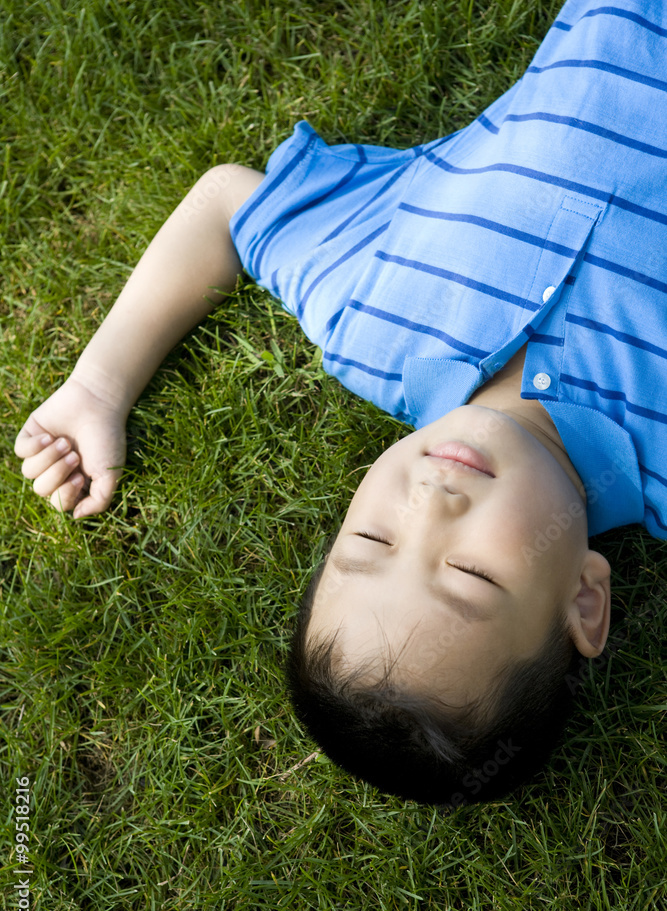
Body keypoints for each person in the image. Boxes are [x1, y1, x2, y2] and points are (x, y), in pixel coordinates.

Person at [15, 0, 667, 806]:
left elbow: (227, 206)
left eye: (372, 534)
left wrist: (98, 387)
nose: (429, 504)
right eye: (469, 572)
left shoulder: (370, 319)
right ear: (583, 598)